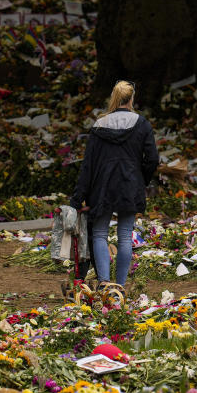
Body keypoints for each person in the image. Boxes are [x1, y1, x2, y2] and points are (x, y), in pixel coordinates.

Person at [70, 81, 159, 289]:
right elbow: (153, 159)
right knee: (125, 236)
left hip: (102, 186)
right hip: (130, 184)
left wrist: (77, 197)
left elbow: (88, 165)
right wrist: (142, 178)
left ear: (114, 98)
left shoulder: (99, 125)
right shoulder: (142, 123)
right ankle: (119, 286)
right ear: (131, 99)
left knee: (100, 233)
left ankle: (103, 283)